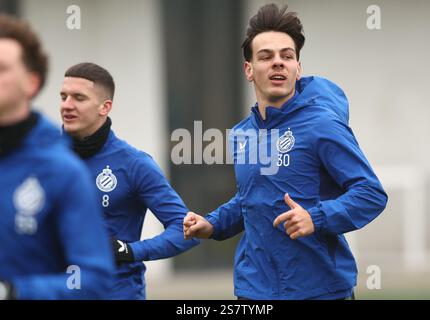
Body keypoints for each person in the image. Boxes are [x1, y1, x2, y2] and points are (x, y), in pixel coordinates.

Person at [183, 4, 388, 300]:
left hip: (320, 291)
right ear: (249, 70)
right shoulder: (243, 134)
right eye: (266, 57)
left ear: (298, 68)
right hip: (255, 291)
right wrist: (213, 223)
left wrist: (316, 218)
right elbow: (250, 199)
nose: (278, 63)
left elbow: (370, 193)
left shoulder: (323, 125)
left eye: (287, 56)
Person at [59, 62, 199, 300]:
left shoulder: (134, 164)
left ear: (105, 107)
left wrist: (130, 251)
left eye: (79, 98)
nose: (67, 105)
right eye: (63, 96)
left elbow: (187, 230)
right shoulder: (43, 158)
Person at [0, 15, 114, 300]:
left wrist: (13, 292)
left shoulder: (62, 170)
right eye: (64, 97)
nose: (68, 106)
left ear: (31, 83)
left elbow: (94, 280)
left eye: (1, 69)